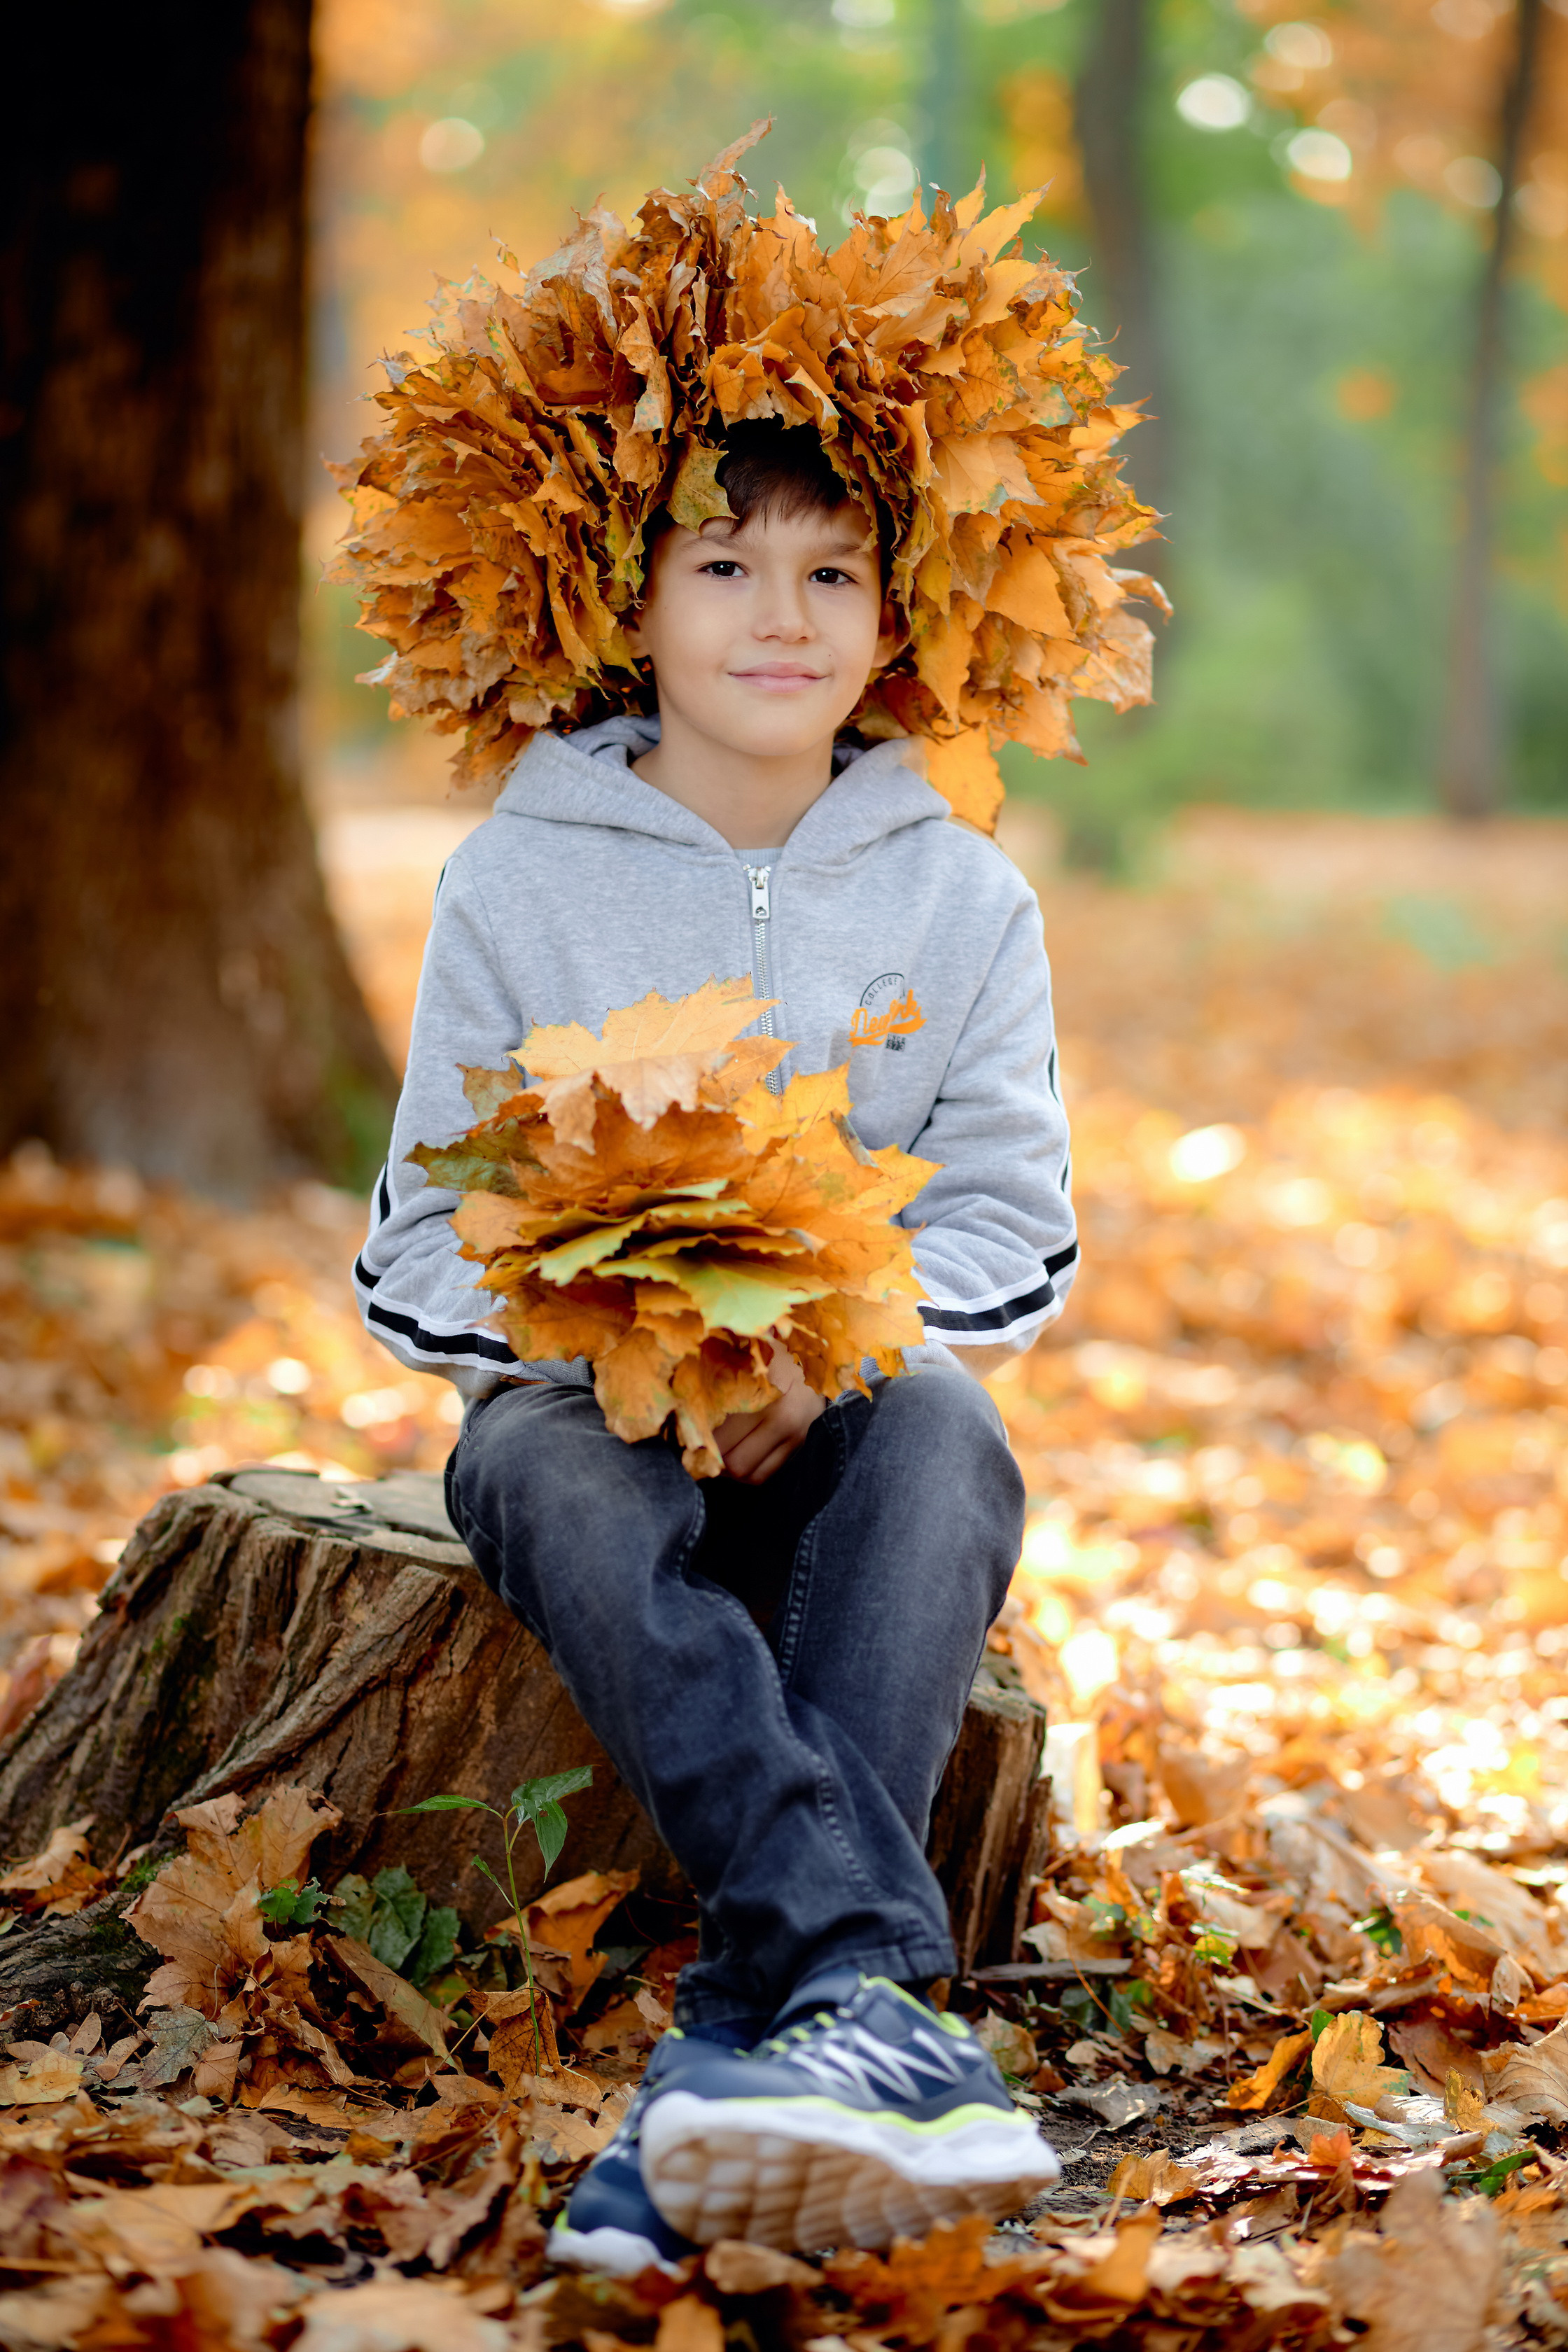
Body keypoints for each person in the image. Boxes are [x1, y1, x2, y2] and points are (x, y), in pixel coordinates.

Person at [355, 419, 1077, 2268]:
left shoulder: (964, 896)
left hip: (852, 1417)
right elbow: (421, 1243)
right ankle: (868, 1989)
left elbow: (1008, 1221)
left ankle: (734, 2063)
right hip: (588, 1422)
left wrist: (825, 1349)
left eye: (833, 573)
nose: (783, 616)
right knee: (540, 1466)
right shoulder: (516, 885)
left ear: (896, 613)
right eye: (728, 567)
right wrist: (645, 1352)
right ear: (636, 604)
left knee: (952, 1433)